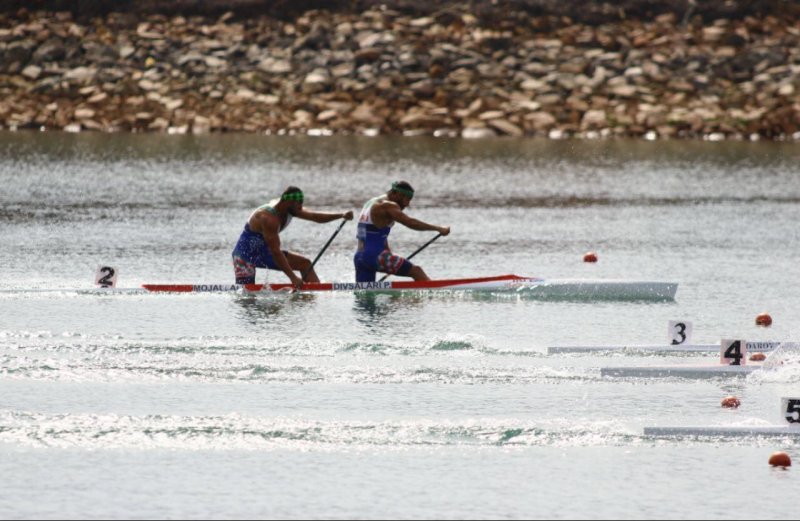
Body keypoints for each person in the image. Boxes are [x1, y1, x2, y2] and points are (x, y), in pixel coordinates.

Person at [232, 186, 353, 288]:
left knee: (305, 264)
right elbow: (276, 252)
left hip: (264, 251)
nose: (300, 210)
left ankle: (313, 300)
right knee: (246, 298)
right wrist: (293, 278)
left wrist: (341, 215)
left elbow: (315, 216)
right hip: (244, 256)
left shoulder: (290, 208)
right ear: (287, 203)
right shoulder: (268, 218)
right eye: (298, 206)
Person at [354, 181, 450, 282]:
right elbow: (410, 222)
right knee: (417, 271)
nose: (407, 204)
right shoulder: (388, 206)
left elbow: (376, 234)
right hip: (376, 257)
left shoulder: (371, 203)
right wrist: (438, 229)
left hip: (360, 258)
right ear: (396, 194)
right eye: (407, 199)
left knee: (366, 295)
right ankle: (432, 295)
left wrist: (388, 253)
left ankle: (393, 297)